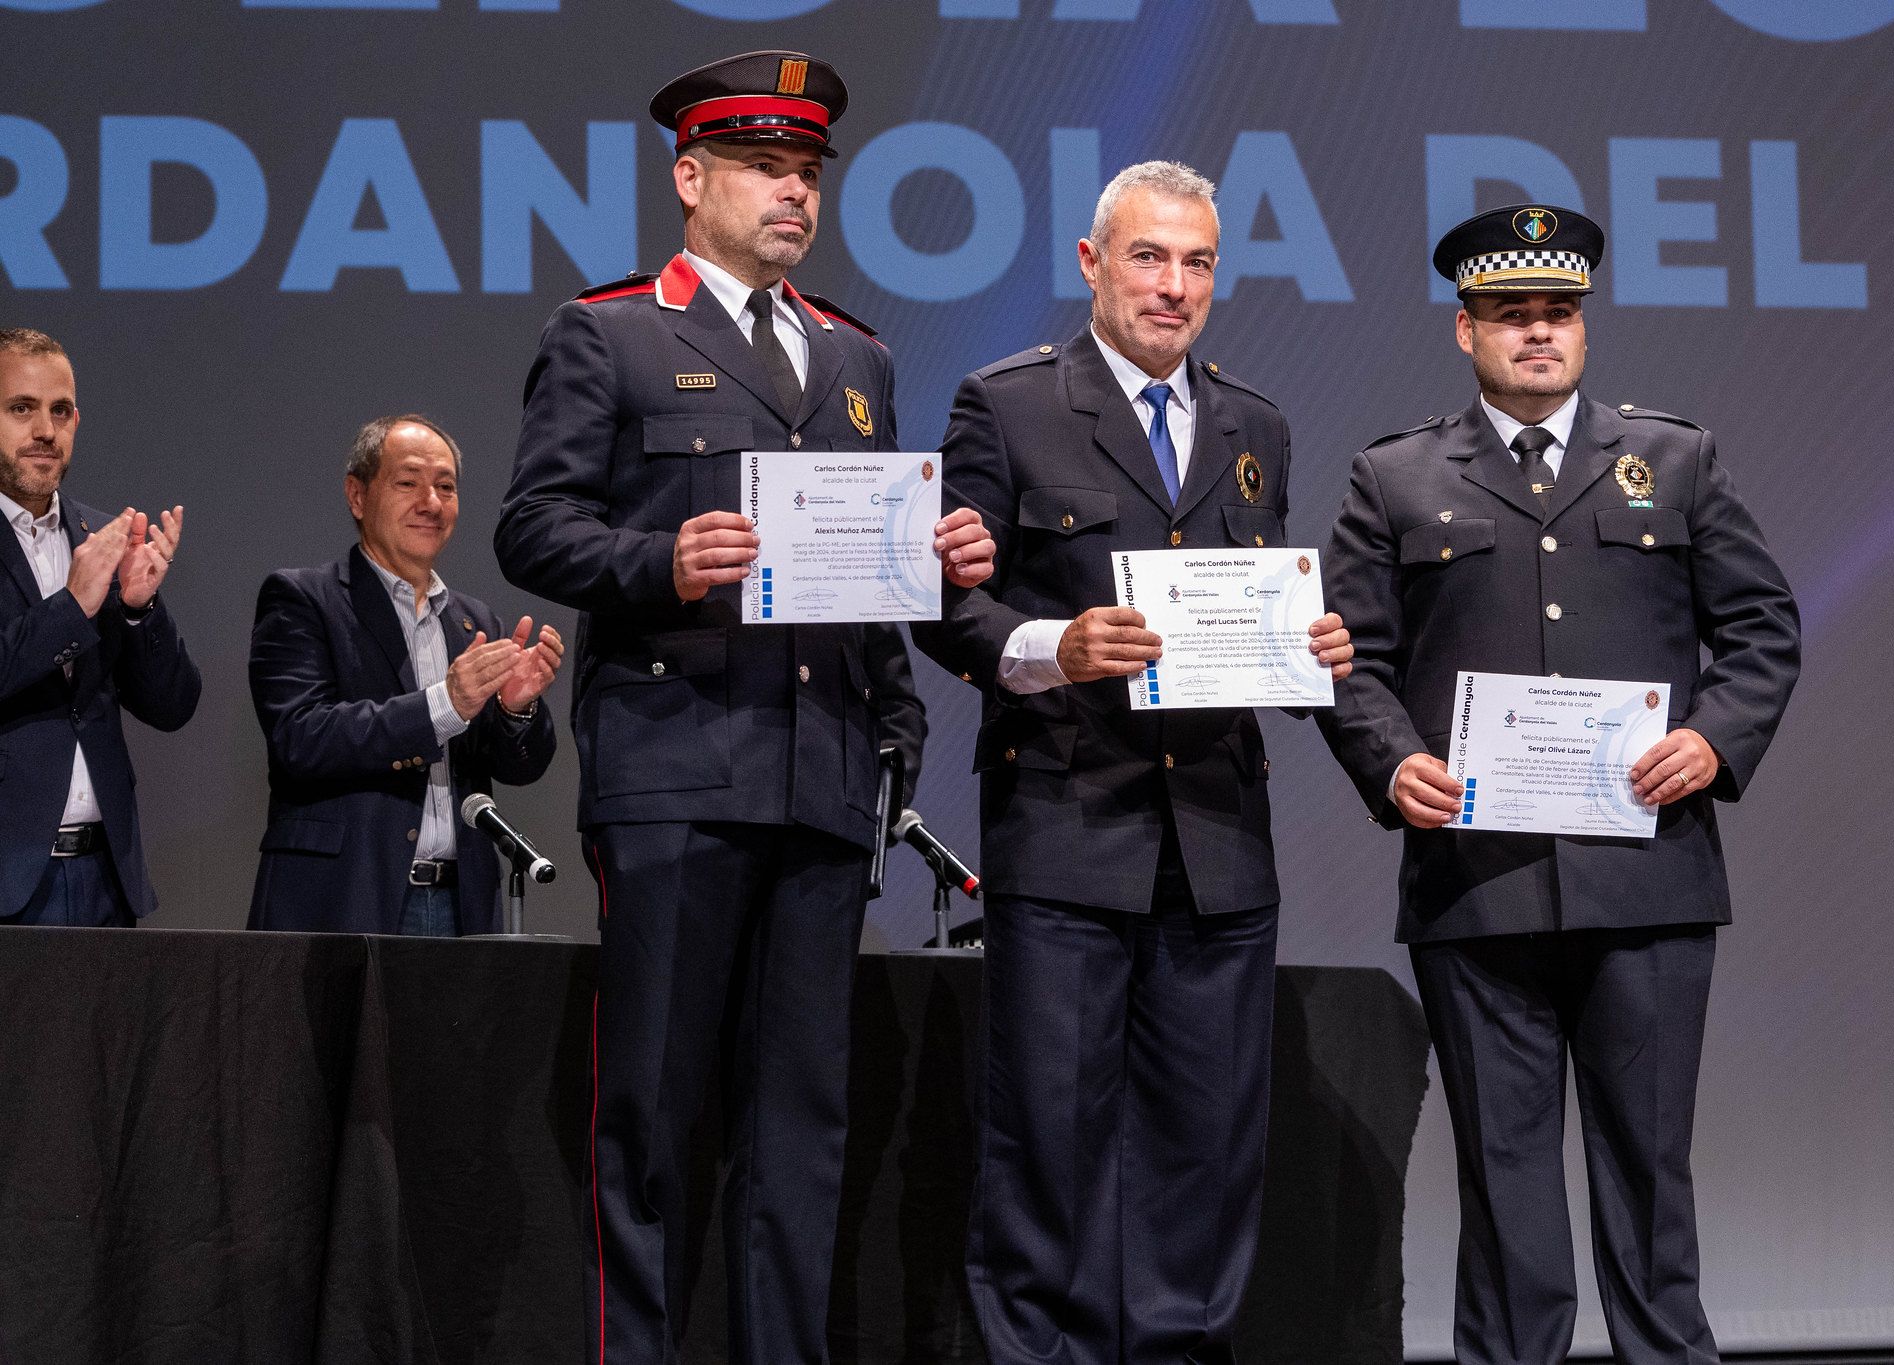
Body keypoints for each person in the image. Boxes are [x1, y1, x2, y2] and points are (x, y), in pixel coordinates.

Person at [494, 50, 994, 1365]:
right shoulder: (607, 332)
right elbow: (533, 527)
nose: (794, 193)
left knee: (804, 1127)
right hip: (674, 768)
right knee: (653, 1116)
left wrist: (909, 673)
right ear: (690, 177)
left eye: (808, 171)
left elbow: (863, 575)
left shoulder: (857, 356)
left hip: (822, 778)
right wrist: (659, 561)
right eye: (767, 167)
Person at [1318, 204, 1801, 1365]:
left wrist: (1714, 741)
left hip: (1646, 880)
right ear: (1463, 330)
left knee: (1647, 1176)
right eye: (1509, 315)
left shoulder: (1672, 456)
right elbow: (1345, 662)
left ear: (1581, 325)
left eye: (1558, 313)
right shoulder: (1392, 477)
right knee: (1506, 1183)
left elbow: (1760, 628)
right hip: (1474, 886)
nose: (1538, 333)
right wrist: (1391, 763)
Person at [909, 161, 1353, 1365]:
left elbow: (1251, 615)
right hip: (1065, 829)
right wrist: (1057, 646)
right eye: (1148, 258)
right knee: (1045, 1146)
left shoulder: (1255, 423)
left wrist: (1307, 647)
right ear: (1090, 262)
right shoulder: (1003, 404)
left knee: (1205, 1150)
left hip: (1216, 840)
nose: (1173, 286)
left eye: (1197, 262)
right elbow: (945, 610)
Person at [246, 414, 560, 937]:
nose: (431, 503)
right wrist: (445, 705)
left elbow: (520, 767)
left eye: (446, 487)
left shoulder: (475, 621)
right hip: (345, 900)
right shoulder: (303, 599)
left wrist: (514, 709)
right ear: (357, 496)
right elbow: (299, 738)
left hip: (462, 904)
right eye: (409, 482)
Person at [0, 328, 200, 928]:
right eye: (21, 409)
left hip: (106, 879)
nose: (45, 430)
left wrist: (138, 610)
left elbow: (172, 706)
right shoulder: (93, 563)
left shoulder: (101, 535)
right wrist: (73, 605)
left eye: (60, 411)